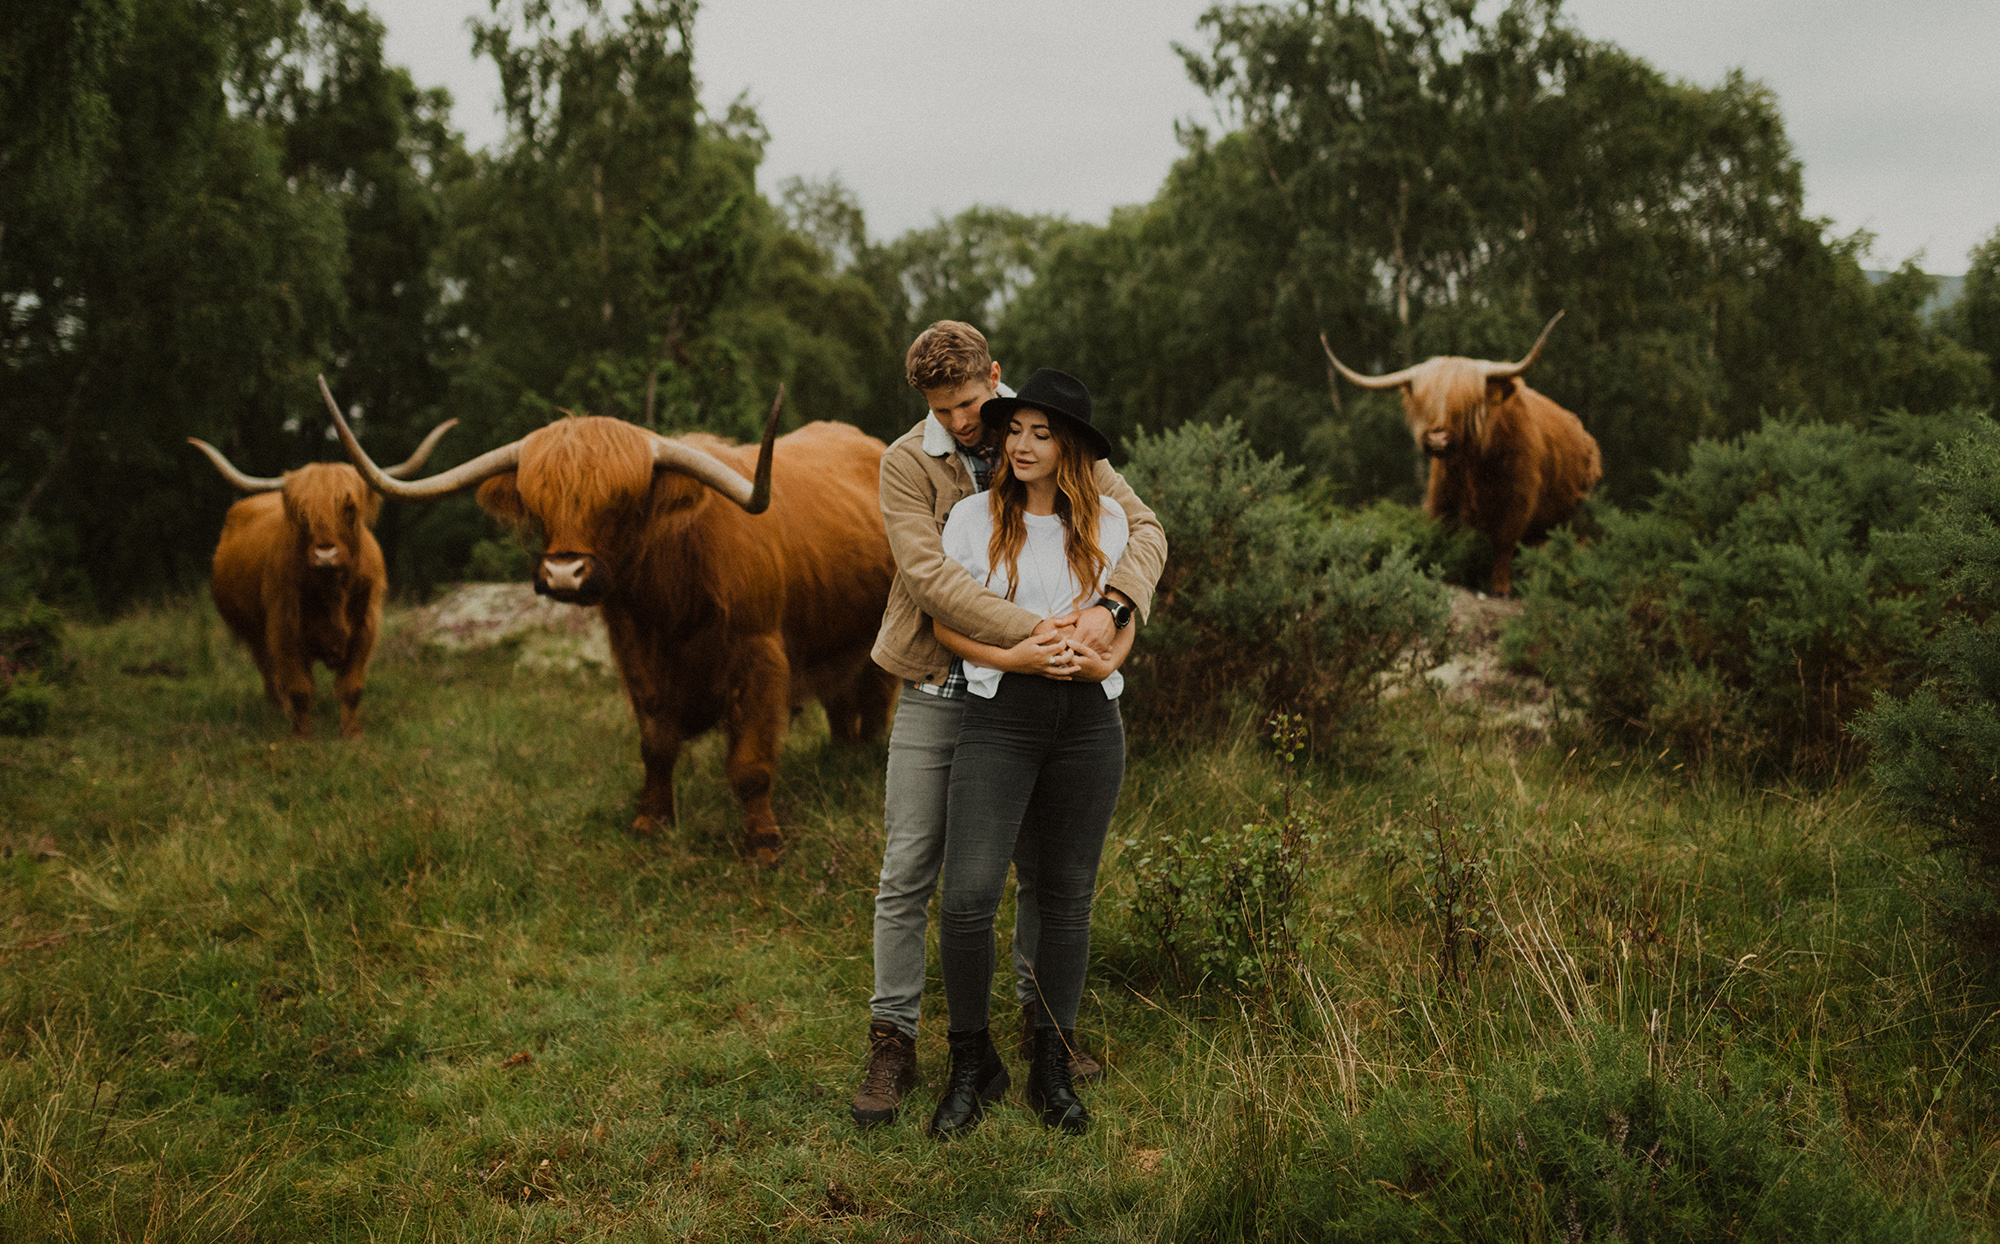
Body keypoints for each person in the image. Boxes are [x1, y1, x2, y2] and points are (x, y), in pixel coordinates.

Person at [852, 323, 1166, 1129]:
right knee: (913, 861)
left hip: (1041, 696)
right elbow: (927, 577)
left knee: (1044, 865)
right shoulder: (905, 464)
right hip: (942, 680)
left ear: (994, 377)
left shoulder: (1042, 433)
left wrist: (1108, 609)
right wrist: (1035, 638)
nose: (963, 422)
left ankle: (1041, 1023)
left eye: (969, 401)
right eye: (943, 409)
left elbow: (1145, 530)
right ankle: (894, 1037)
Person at [927, 368, 1137, 1139]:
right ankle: (971, 1061)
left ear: (1070, 446)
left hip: (1088, 724)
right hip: (999, 717)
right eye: (1014, 429)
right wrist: (1015, 658)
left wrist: (1110, 662)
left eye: (1040, 434)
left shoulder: (1110, 522)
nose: (1020, 444)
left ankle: (1052, 1062)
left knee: (1067, 895)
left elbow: (1125, 615)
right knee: (968, 894)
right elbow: (948, 627)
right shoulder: (970, 519)